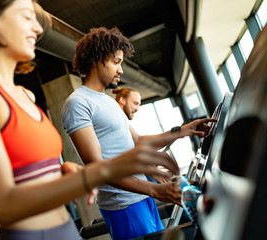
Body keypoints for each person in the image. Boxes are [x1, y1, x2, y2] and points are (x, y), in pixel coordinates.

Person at [0, 1, 185, 240]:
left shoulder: (25, 95)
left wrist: (61, 172)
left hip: (65, 230)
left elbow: (30, 173)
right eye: (26, 17)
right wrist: (98, 173)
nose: (38, 29)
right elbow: (3, 204)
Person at [62, 27, 216, 240]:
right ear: (98, 60)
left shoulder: (107, 101)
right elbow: (96, 166)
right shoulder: (78, 103)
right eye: (116, 62)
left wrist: (182, 131)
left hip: (142, 196)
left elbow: (138, 141)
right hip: (123, 204)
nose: (121, 70)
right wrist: (156, 190)